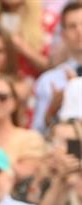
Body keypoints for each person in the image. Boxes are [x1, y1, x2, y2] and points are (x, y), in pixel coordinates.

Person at [31, 2, 82, 131]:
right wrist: (52, 110)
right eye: (72, 26)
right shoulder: (48, 80)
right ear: (63, 34)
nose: (79, 31)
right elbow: (37, 132)